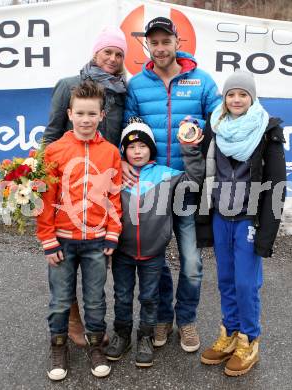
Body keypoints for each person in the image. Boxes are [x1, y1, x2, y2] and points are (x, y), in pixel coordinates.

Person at [123, 16, 222, 352]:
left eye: (167, 41)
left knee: (192, 263)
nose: (161, 48)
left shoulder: (201, 81)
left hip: (187, 186)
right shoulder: (137, 84)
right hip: (152, 189)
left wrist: (200, 129)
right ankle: (162, 317)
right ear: (148, 45)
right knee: (156, 260)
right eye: (155, 42)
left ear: (178, 43)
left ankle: (187, 320)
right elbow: (129, 131)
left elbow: (221, 120)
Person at [43, 25, 127, 347]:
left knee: (93, 269)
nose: (113, 58)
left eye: (119, 54)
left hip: (100, 183)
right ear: (96, 52)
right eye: (108, 51)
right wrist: (40, 177)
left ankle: (91, 321)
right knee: (63, 267)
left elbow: (119, 137)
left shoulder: (121, 91)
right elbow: (51, 134)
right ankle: (71, 320)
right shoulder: (68, 86)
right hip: (68, 185)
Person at [200, 69, 286, 376]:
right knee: (225, 280)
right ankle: (230, 333)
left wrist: (267, 234)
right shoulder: (216, 127)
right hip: (221, 216)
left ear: (252, 97)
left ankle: (249, 340)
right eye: (231, 94)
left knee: (246, 283)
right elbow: (202, 170)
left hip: (248, 219)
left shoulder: (267, 131)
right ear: (224, 99)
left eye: (242, 94)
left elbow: (277, 185)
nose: (236, 99)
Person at [37, 81, 122, 380]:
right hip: (62, 239)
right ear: (70, 114)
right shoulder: (55, 151)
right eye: (81, 113)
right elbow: (45, 198)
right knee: (60, 298)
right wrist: (47, 238)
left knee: (96, 298)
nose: (86, 120)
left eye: (92, 114)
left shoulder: (111, 152)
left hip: (97, 241)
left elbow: (114, 195)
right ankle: (58, 346)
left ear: (101, 115)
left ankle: (95, 346)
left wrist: (112, 231)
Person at [105, 117, 205, 367]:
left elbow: (194, 181)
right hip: (122, 252)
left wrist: (190, 149)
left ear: (151, 148)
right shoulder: (116, 176)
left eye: (142, 146)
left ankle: (146, 337)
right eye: (131, 147)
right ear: (123, 151)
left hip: (153, 253)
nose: (137, 151)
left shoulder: (167, 176)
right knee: (122, 295)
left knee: (150, 297)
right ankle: (122, 334)